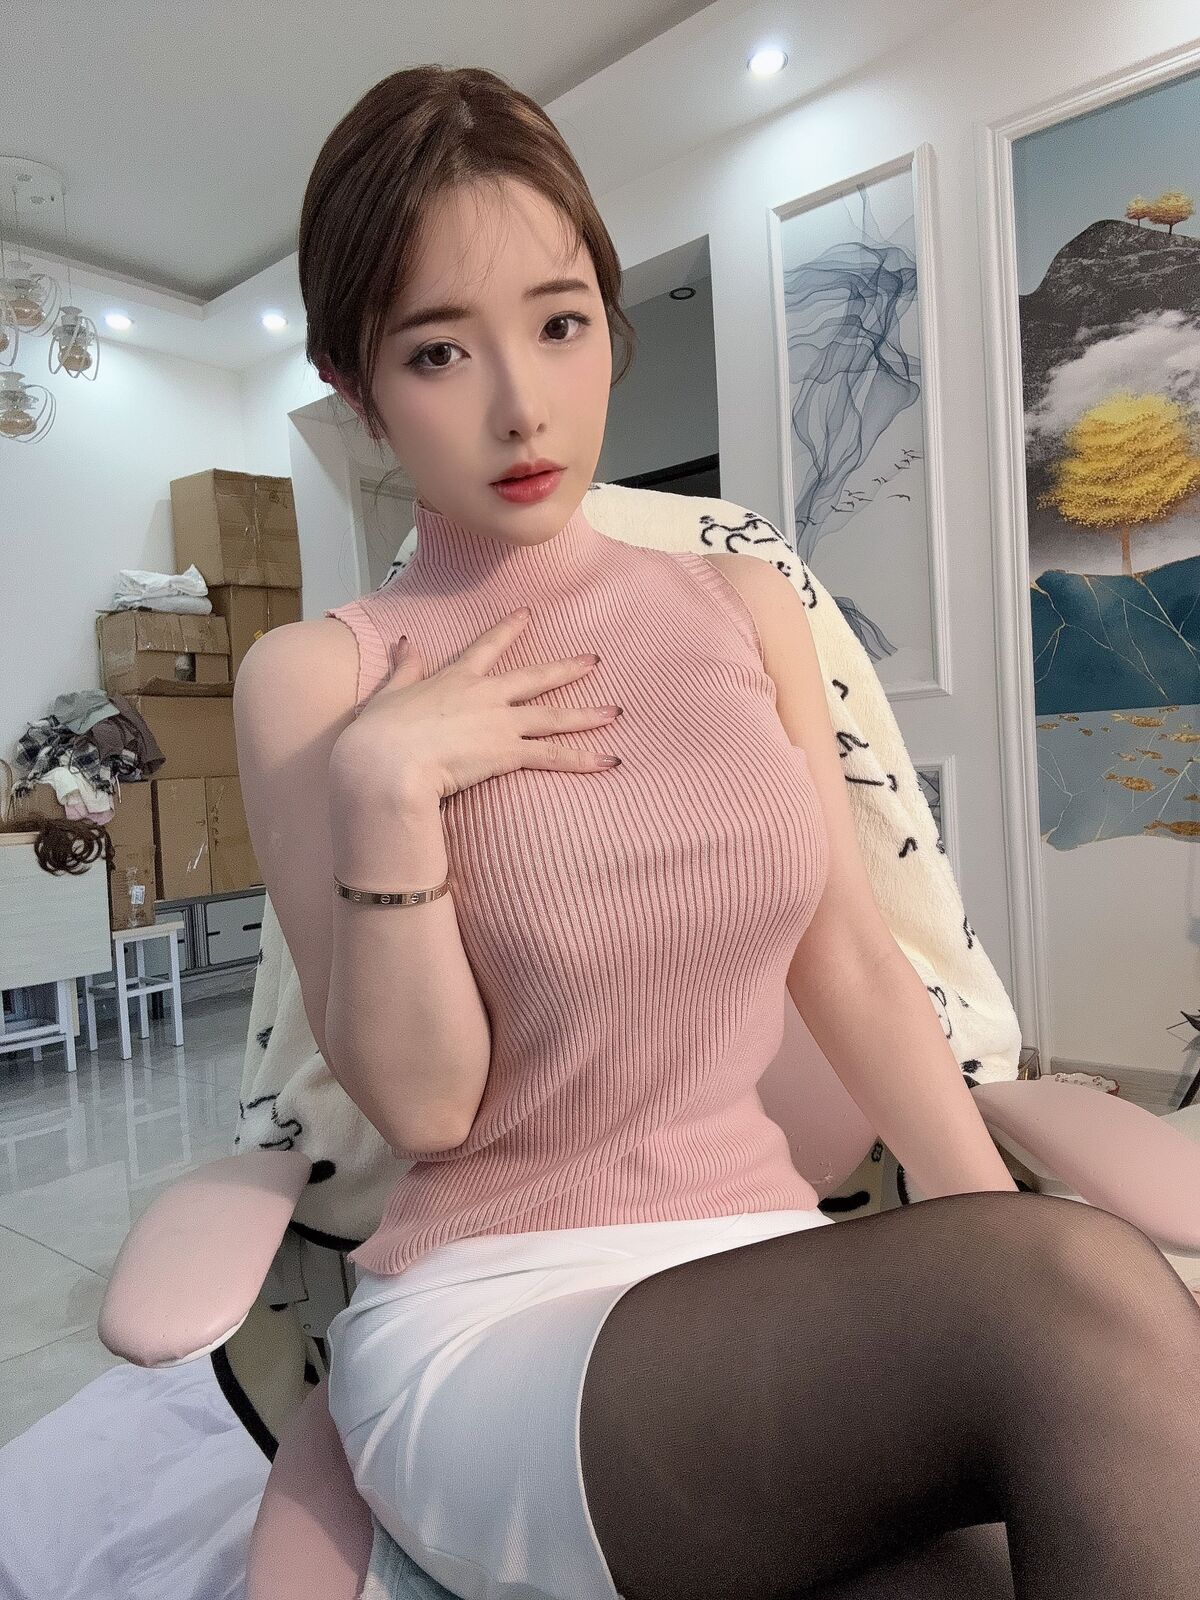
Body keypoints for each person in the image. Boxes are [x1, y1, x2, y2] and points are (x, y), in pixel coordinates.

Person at [233, 63, 1200, 1600]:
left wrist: (993, 1258)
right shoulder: (318, 680)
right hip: (499, 1321)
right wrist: (385, 792)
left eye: (561, 324)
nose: (521, 404)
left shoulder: (742, 601)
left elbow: (855, 969)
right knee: (1074, 1300)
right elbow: (425, 1107)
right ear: (358, 389)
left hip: (759, 1273)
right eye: (439, 351)